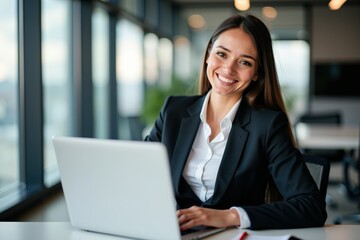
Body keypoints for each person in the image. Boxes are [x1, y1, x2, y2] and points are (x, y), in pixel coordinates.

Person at [145, 14, 327, 230]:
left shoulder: (267, 126)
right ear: (208, 55)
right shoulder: (173, 110)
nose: (229, 69)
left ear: (257, 74)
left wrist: (230, 216)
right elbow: (140, 173)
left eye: (244, 62)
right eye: (222, 54)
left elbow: (311, 206)